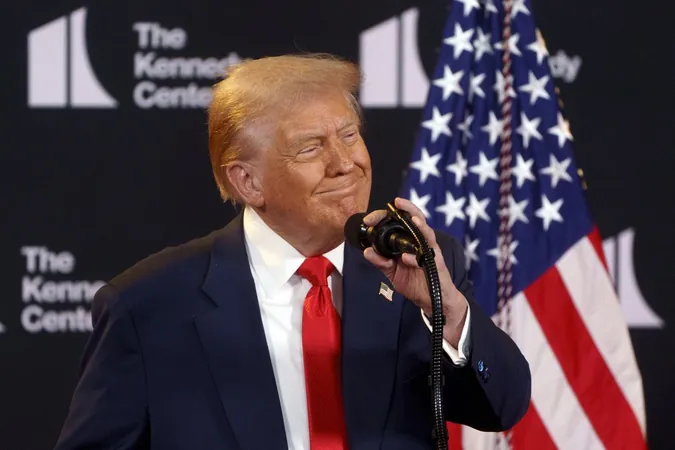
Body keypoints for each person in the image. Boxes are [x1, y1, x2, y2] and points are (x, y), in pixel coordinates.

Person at [54, 53, 531, 450]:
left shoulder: (418, 263)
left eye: (349, 135)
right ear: (248, 181)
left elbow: (502, 408)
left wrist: (447, 310)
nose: (345, 163)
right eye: (310, 148)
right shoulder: (150, 306)